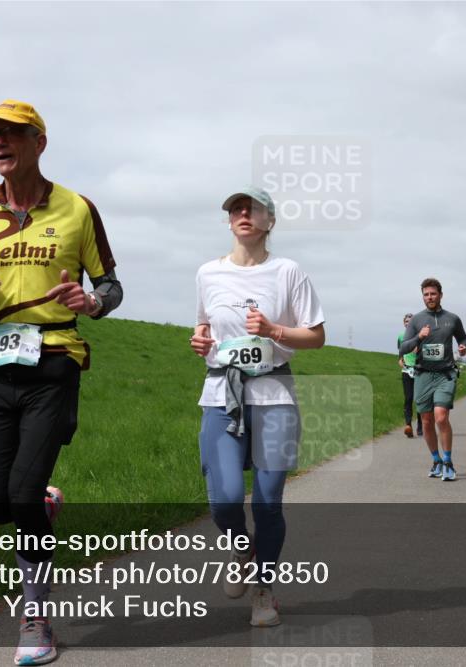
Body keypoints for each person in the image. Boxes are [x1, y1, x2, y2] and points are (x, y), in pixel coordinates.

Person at [0, 99, 122, 666]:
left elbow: (111, 286)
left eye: (12, 134)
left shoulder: (77, 209)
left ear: (39, 143)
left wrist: (91, 301)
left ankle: (36, 618)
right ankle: (44, 504)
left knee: (20, 497)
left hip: (54, 362)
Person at [190, 186, 325, 627]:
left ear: (270, 222)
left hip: (274, 396)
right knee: (225, 499)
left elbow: (316, 336)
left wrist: (274, 330)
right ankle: (241, 547)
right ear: (229, 221)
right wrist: (199, 340)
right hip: (220, 395)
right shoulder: (208, 273)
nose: (244, 214)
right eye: (236, 209)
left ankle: (264, 591)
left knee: (268, 502)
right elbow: (203, 325)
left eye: (253, 209)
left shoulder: (288, 272)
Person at [399, 278, 466, 481]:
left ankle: (448, 462)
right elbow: (403, 348)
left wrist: (464, 347)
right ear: (423, 297)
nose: (429, 297)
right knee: (427, 421)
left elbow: (463, 338)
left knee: (440, 417)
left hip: (445, 374)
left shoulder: (452, 319)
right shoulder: (416, 321)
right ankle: (436, 460)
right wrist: (419, 337)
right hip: (423, 375)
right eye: (426, 294)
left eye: (433, 294)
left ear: (440, 295)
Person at [398, 313, 422, 437]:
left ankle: (420, 425)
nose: (408, 323)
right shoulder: (401, 336)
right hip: (406, 370)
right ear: (404, 323)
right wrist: (400, 359)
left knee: (418, 399)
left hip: (419, 370)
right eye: (406, 321)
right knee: (408, 398)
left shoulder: (420, 336)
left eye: (410, 321)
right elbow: (400, 350)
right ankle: (408, 425)